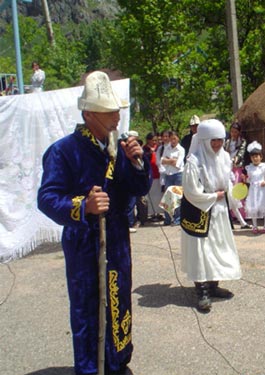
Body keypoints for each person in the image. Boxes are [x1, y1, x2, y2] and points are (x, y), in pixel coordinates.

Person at [37, 71, 151, 375]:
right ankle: (90, 369)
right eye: (109, 112)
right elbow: (47, 198)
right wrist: (82, 206)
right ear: (89, 114)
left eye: (116, 111)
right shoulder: (63, 151)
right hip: (84, 245)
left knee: (120, 301)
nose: (116, 118)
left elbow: (137, 190)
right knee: (88, 309)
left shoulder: (119, 148)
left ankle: (118, 361)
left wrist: (137, 162)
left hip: (117, 241)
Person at [180, 119, 241, 313]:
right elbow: (191, 191)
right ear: (204, 140)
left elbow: (228, 181)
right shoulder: (194, 162)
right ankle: (202, 291)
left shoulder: (224, 157)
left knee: (218, 248)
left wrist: (232, 193)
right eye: (213, 140)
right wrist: (215, 196)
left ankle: (213, 285)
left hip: (219, 212)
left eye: (220, 140)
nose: (216, 144)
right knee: (201, 252)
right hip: (200, 213)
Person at [244, 141, 265, 234]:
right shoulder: (249, 168)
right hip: (253, 191)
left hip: (263, 191)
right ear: (251, 158)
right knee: (253, 207)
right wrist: (245, 179)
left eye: (257, 156)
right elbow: (250, 180)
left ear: (261, 157)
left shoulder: (264, 167)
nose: (255, 158)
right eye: (253, 156)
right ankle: (255, 226)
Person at [224, 121, 250, 227]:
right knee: (230, 192)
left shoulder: (242, 141)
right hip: (228, 168)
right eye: (232, 131)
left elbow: (241, 153)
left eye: (235, 132)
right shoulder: (227, 142)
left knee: (237, 190)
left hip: (237, 167)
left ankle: (242, 215)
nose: (233, 133)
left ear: (239, 132)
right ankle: (233, 215)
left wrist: (236, 159)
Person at [158, 131, 185, 225]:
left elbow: (178, 164)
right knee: (168, 197)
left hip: (178, 174)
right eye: (171, 138)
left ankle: (178, 218)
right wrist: (171, 160)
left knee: (177, 196)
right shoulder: (167, 148)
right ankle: (168, 218)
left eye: (174, 138)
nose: (173, 141)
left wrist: (168, 160)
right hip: (168, 174)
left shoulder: (181, 149)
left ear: (178, 139)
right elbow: (162, 160)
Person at [143, 132, 162, 220]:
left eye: (156, 140)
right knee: (151, 195)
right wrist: (150, 153)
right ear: (148, 140)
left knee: (158, 195)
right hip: (150, 175)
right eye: (153, 140)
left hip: (159, 174)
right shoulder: (145, 149)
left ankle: (158, 213)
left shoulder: (159, 148)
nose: (155, 142)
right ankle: (152, 213)